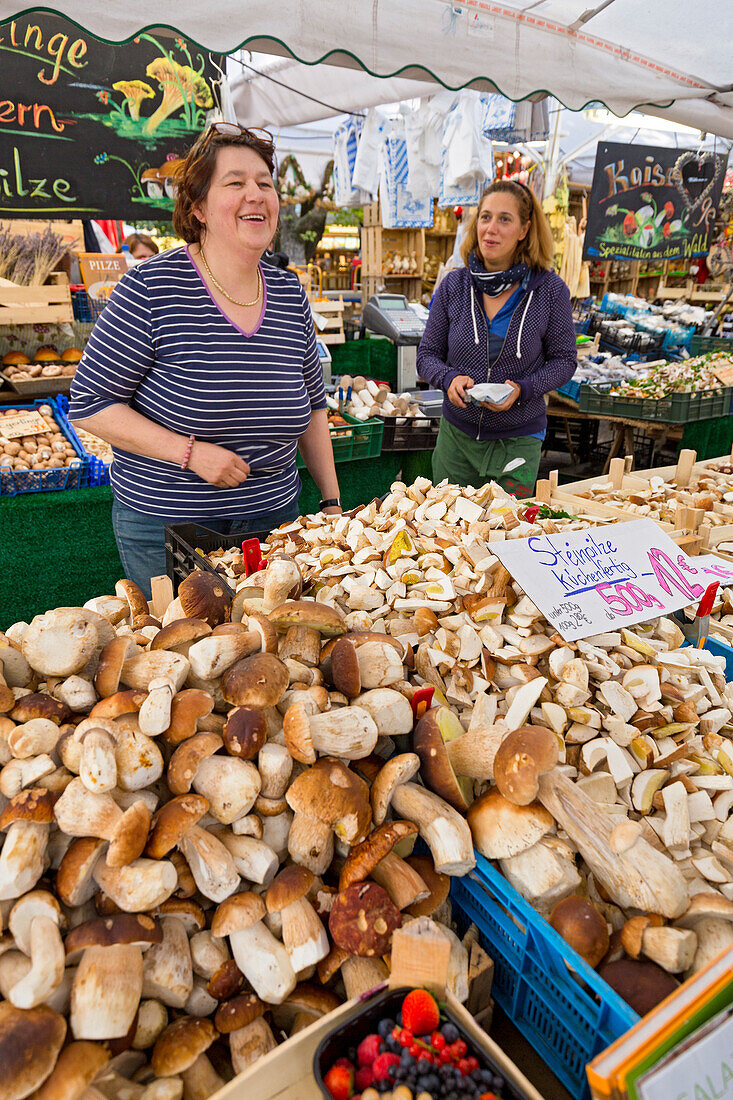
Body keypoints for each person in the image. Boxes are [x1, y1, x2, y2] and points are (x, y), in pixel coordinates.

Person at [70, 123, 341, 597]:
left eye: (265, 183)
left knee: (267, 652)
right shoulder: (151, 288)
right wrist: (190, 453)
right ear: (197, 207)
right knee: (187, 654)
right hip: (170, 527)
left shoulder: (287, 291)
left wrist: (332, 500)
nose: (255, 195)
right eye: (235, 183)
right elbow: (91, 403)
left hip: (274, 519)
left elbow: (314, 408)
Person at [417, 180, 576, 497]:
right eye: (485, 217)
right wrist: (448, 379)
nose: (491, 228)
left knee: (507, 536)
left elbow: (564, 361)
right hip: (456, 442)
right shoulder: (454, 286)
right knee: (446, 534)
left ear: (524, 230)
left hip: (517, 442)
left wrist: (522, 389)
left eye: (505, 219)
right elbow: (426, 355)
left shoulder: (549, 290)